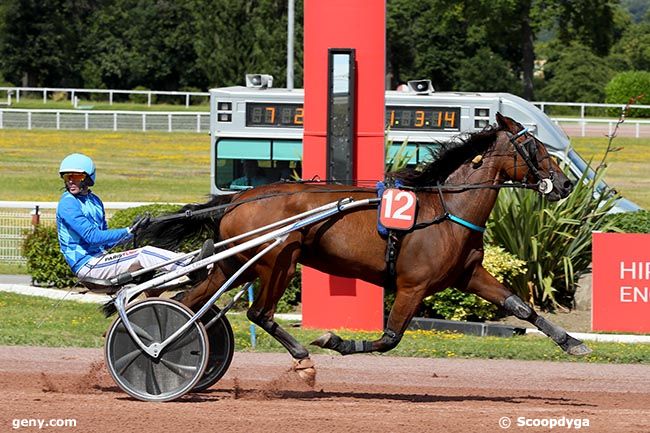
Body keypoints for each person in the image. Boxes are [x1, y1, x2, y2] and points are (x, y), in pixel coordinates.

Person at [56, 153, 213, 284]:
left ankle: (189, 266)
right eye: (67, 176)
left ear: (88, 178)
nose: (70, 180)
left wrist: (135, 231)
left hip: (101, 260)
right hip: (87, 264)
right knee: (144, 254)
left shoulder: (95, 201)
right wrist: (127, 230)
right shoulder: (68, 203)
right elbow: (93, 237)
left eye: (76, 176)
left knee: (153, 261)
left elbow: (108, 241)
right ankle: (190, 266)